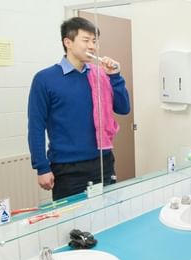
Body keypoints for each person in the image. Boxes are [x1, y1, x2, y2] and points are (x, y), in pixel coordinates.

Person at [28, 17, 130, 201]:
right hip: (67, 168)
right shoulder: (44, 79)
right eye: (86, 40)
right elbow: (36, 126)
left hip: (103, 161)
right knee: (71, 225)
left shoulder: (100, 74)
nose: (92, 46)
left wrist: (115, 77)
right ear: (68, 42)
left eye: (95, 41)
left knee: (108, 217)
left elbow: (123, 109)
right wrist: (42, 167)